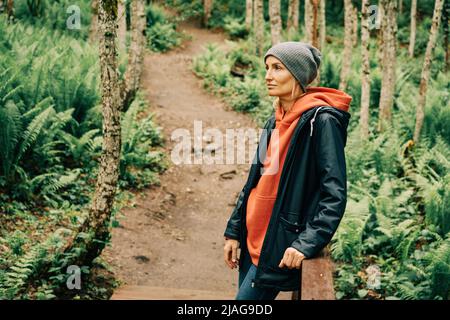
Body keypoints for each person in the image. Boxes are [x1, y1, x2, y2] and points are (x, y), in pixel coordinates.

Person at [223, 42, 352, 300]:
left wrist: (307, 243)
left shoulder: (322, 121)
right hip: (252, 236)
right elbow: (254, 182)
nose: (268, 76)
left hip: (277, 243)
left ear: (297, 74)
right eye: (267, 68)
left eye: (278, 68)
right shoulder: (275, 118)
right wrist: (234, 231)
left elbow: (334, 194)